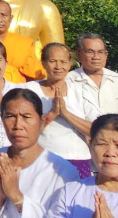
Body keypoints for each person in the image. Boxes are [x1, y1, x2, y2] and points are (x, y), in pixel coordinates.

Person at [34, 43, 90, 171]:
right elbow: (27, 130)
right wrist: (53, 113)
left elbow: (96, 129)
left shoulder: (82, 89)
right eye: (52, 61)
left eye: (63, 62)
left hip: (78, 158)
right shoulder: (30, 90)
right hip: (43, 157)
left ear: (70, 64)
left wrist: (65, 113)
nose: (58, 67)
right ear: (43, 63)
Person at [67, 34, 118, 130]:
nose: (96, 57)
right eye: (90, 51)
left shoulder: (116, 79)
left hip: (115, 140)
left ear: (106, 55)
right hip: (80, 140)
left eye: (100, 52)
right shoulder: (69, 80)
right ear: (78, 55)